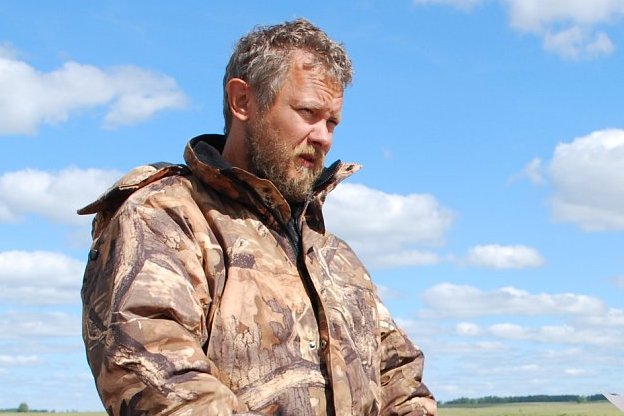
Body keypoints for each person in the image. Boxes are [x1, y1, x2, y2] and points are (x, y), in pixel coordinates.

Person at [79, 18, 437, 416]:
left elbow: (399, 378)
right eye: (307, 112)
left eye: (332, 121)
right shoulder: (166, 216)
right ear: (242, 101)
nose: (324, 137)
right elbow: (154, 374)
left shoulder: (335, 257)